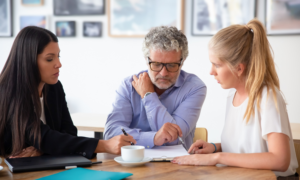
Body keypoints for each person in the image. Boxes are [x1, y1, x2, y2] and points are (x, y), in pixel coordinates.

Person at [171, 19, 299, 177]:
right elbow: (247, 150)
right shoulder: (232, 96)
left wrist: (217, 157)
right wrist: (215, 147)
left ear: (239, 68)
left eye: (216, 65)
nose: (211, 72)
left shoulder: (267, 97)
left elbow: (280, 160)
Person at [0, 26, 136, 159]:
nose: (59, 64)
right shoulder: (8, 93)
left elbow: (69, 132)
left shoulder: (54, 87)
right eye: (49, 59)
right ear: (29, 61)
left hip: (43, 165)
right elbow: (43, 136)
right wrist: (105, 145)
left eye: (58, 56)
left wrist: (43, 149)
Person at [104, 26, 207, 149]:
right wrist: (153, 138)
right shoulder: (128, 85)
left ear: (182, 61)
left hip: (177, 164)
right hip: (133, 162)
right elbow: (111, 134)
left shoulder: (194, 88)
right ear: (147, 60)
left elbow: (174, 139)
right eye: (156, 64)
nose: (163, 73)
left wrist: (148, 95)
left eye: (171, 65)